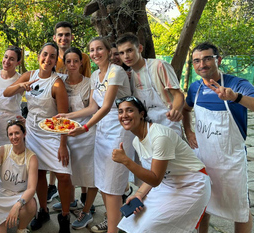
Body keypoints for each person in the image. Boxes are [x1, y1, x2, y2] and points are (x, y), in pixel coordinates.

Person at [62, 38, 133, 233]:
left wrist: (84, 128)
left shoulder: (116, 72)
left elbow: (107, 106)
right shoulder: (95, 75)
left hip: (119, 131)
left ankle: (113, 228)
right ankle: (115, 223)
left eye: (99, 49)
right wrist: (67, 116)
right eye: (92, 50)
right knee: (104, 183)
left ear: (109, 51)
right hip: (101, 132)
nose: (95, 53)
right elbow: (93, 107)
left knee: (112, 185)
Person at [182, 42, 254, 233]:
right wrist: (188, 131)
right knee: (203, 204)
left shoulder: (237, 84)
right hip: (203, 158)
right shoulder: (194, 88)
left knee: (241, 210)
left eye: (207, 58)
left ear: (218, 60)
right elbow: (185, 109)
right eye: (196, 61)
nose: (201, 64)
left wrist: (235, 97)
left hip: (230, 161)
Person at [113, 96, 211, 232]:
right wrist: (139, 194)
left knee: (150, 227)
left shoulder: (159, 137)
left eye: (129, 110)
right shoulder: (137, 141)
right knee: (134, 222)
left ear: (141, 114)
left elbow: (155, 179)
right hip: (168, 184)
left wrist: (126, 161)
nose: (124, 115)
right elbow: (152, 173)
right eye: (120, 112)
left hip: (191, 185)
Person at [4, 42, 71, 232]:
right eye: (45, 54)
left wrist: (63, 145)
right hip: (33, 132)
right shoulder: (29, 75)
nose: (47, 59)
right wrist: (20, 86)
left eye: (52, 56)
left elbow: (63, 119)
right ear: (38, 56)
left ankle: (65, 217)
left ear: (55, 60)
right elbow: (6, 92)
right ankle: (43, 211)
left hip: (53, 133)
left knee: (64, 177)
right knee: (39, 174)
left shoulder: (57, 83)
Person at [54, 47, 96, 230]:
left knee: (90, 176)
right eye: (68, 61)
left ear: (81, 63)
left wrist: (67, 116)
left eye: (75, 61)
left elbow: (92, 108)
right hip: (66, 134)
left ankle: (86, 212)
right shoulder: (59, 81)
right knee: (66, 173)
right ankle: (70, 201)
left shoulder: (89, 82)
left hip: (86, 135)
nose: (71, 65)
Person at [49, 21, 91, 205]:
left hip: (82, 123)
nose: (64, 38)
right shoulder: (50, 56)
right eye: (60, 35)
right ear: (55, 37)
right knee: (65, 163)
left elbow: (88, 88)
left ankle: (85, 199)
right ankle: (67, 197)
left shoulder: (85, 58)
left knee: (85, 166)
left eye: (67, 34)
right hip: (60, 120)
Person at [116, 33, 184, 136]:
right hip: (146, 129)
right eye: (121, 53)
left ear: (140, 48)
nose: (126, 56)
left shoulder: (159, 66)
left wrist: (175, 111)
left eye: (130, 50)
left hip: (168, 125)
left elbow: (178, 94)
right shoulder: (129, 76)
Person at [0, 120, 38, 233]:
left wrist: (18, 204)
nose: (14, 137)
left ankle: (21, 229)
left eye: (17, 133)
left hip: (19, 195)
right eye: (10, 134)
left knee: (31, 203)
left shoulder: (31, 157)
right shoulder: (3, 150)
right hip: (0, 195)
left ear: (24, 134)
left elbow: (31, 188)